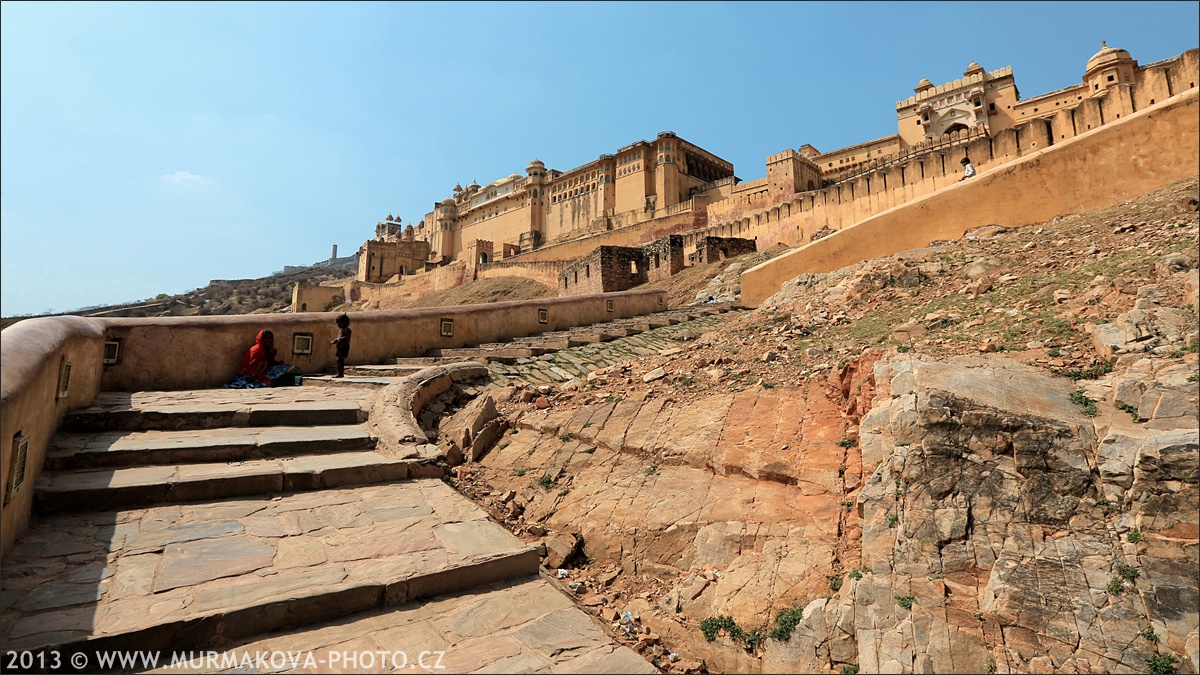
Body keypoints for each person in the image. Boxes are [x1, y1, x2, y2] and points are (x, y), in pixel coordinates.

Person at [224, 329, 294, 388]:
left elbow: (270, 362)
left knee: (282, 368)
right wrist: (267, 358)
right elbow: (253, 367)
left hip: (262, 371)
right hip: (249, 373)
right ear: (261, 339)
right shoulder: (256, 350)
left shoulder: (268, 349)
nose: (268, 340)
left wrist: (272, 358)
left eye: (270, 338)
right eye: (266, 338)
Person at [330, 314, 352, 378]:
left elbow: (345, 338)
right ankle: (340, 373)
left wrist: (337, 340)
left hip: (344, 347)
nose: (338, 325)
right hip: (339, 347)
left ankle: (340, 374)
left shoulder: (347, 330)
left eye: (339, 323)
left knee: (340, 360)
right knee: (339, 360)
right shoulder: (342, 330)